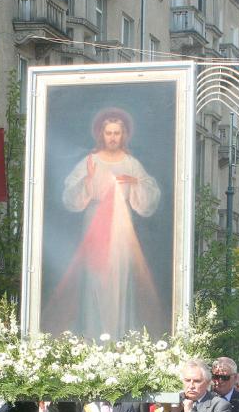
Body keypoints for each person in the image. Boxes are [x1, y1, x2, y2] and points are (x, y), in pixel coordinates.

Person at [46, 107, 163, 338]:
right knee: (94, 280)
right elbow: (70, 196)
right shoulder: (90, 161)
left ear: (124, 135)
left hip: (122, 227)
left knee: (120, 278)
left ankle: (119, 336)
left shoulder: (131, 163)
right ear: (101, 134)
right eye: (108, 132)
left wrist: (135, 182)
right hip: (95, 224)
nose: (112, 137)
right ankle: (93, 335)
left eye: (117, 133)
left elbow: (150, 194)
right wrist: (88, 180)